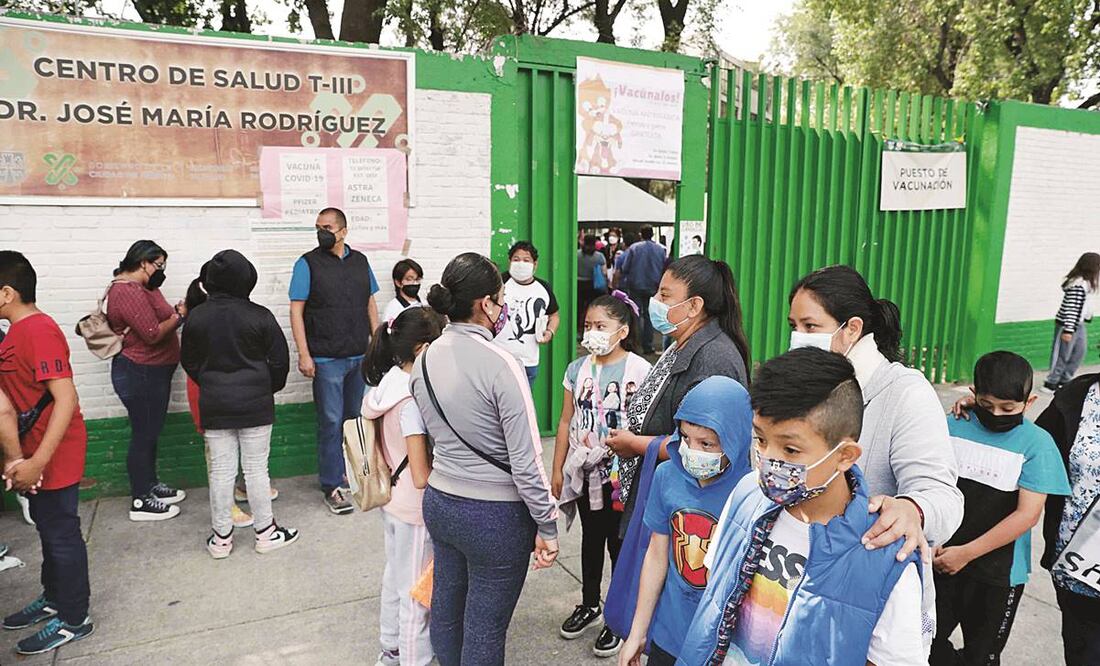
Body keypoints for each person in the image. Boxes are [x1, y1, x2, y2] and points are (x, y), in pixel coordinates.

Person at [677, 348, 924, 665]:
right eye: (761, 440)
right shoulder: (747, 494)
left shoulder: (885, 554)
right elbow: (716, 593)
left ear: (845, 455)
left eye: (791, 449)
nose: (768, 460)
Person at [785, 264, 963, 650]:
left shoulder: (904, 392)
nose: (798, 337)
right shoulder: (807, 384)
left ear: (851, 329)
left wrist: (911, 509)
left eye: (810, 327)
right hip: (797, 579)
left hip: (869, 601)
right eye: (793, 325)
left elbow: (942, 495)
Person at [409, 252, 559, 665]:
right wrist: (547, 524)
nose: (503, 306)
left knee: (447, 610)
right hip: (495, 518)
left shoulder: (422, 361)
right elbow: (527, 463)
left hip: (441, 504)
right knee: (484, 629)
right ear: (485, 304)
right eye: (500, 297)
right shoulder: (502, 364)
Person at [931, 351, 1070, 665]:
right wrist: (936, 545)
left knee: (983, 655)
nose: (996, 414)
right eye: (987, 405)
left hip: (998, 574)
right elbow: (932, 485)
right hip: (939, 560)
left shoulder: (1038, 444)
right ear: (973, 396)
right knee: (920, 644)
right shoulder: (953, 424)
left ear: (1029, 401)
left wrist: (965, 553)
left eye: (1008, 408)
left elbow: (1027, 514)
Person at [606, 255, 751, 535]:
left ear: (695, 305)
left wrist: (635, 445)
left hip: (685, 512)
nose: (655, 301)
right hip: (660, 491)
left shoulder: (714, 358)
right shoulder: (680, 344)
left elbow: (704, 449)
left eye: (665, 294)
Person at [618, 376, 752, 665]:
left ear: (736, 438)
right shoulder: (667, 476)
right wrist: (637, 633)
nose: (693, 451)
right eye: (686, 438)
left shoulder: (751, 491)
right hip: (670, 635)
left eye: (707, 444)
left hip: (724, 647)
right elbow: (656, 554)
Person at [0, 251, 94, 655]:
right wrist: (17, 457)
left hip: (55, 449)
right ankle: (53, 597)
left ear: (6, 292)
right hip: (32, 449)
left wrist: (37, 460)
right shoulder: (14, 333)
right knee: (47, 528)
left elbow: (65, 396)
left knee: (61, 534)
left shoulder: (38, 330)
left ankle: (74, 618)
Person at [551, 291, 651, 658]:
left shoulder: (641, 370)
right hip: (587, 472)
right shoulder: (576, 370)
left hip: (623, 474)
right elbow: (565, 422)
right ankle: (590, 603)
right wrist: (558, 469)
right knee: (591, 540)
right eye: (588, 326)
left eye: (601, 326)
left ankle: (617, 617)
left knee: (620, 545)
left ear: (622, 331)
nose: (592, 332)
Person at [181, 250, 296, 559]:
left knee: (221, 472)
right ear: (248, 279)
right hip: (256, 403)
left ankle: (221, 540)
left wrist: (211, 383)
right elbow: (280, 362)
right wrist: (265, 387)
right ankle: (266, 534)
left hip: (215, 403)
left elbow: (189, 362)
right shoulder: (260, 316)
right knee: (257, 470)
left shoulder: (197, 317)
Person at [362, 306, 445, 666]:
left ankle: (391, 648)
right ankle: (415, 659)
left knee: (394, 577)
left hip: (390, 499)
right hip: (414, 507)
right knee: (416, 595)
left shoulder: (386, 384)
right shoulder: (412, 399)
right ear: (421, 348)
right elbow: (421, 475)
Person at [289, 207, 381, 515]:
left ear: (343, 231)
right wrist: (304, 353)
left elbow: (370, 302)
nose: (322, 232)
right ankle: (331, 484)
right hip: (326, 358)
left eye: (327, 227)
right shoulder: (307, 264)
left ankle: (354, 475)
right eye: (318, 227)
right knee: (329, 422)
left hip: (359, 354)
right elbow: (297, 310)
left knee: (354, 420)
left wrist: (377, 343)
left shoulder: (360, 262)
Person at [106, 240, 187, 521]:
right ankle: (140, 500)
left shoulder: (144, 288)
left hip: (152, 371)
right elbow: (152, 333)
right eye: (159, 265)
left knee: (150, 432)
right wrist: (179, 316)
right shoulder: (126, 291)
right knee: (143, 435)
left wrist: (175, 312)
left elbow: (161, 316)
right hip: (139, 371)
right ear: (143, 262)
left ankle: (151, 484)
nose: (161, 270)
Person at [182, 269, 261, 529]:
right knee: (217, 457)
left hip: (224, 396)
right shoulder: (202, 324)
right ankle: (227, 507)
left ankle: (238, 490)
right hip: (207, 395)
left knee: (235, 451)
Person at [1033, 370, 1100, 665]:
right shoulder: (1077, 396)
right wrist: (984, 409)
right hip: (1077, 569)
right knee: (1082, 653)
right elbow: (1031, 444)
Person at [496, 241, 560, 385]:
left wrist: (550, 332)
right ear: (509, 261)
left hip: (528, 361)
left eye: (526, 260)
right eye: (516, 259)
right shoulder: (499, 282)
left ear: (535, 264)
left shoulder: (543, 288)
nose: (521, 263)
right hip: (499, 358)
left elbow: (554, 315)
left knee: (523, 405)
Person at [1042, 252, 1099, 394]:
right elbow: (1071, 308)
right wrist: (1068, 330)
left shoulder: (1086, 284)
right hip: (1068, 325)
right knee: (1062, 355)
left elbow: (1084, 305)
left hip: (1078, 325)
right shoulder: (1077, 285)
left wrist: (1087, 316)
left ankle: (1065, 380)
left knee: (1079, 352)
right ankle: (1051, 382)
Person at [619, 225, 668, 355]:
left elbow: (625, 267)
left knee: (636, 314)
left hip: (635, 285)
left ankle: (635, 343)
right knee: (649, 315)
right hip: (653, 286)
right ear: (652, 234)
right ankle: (648, 345)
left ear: (641, 234)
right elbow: (664, 268)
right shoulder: (660, 250)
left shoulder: (634, 248)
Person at [578, 235, 608, 334]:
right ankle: (591, 327)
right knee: (593, 307)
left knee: (580, 308)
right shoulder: (599, 256)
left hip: (579, 284)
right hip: (594, 286)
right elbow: (604, 272)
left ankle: (579, 328)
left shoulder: (577, 254)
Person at [383, 258, 426, 322]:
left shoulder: (425, 303)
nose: (415, 283)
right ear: (398, 282)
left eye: (417, 279)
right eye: (409, 279)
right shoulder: (392, 308)